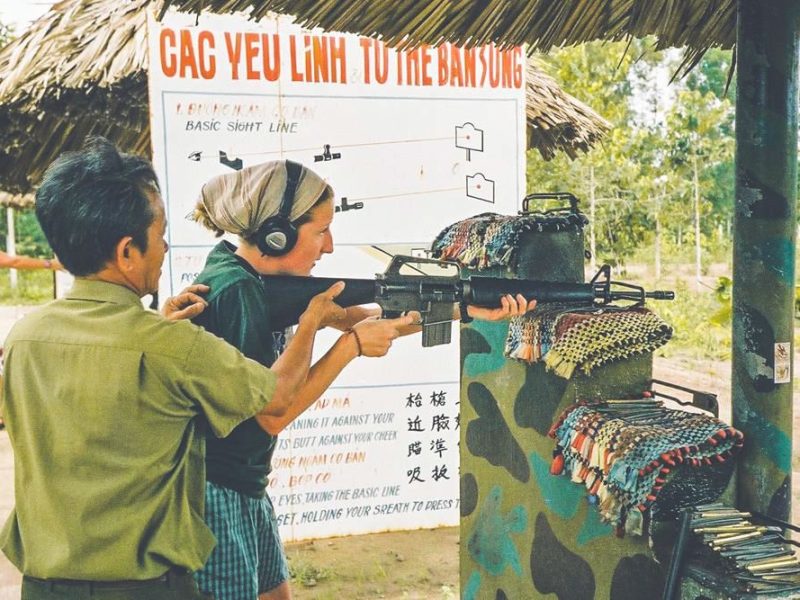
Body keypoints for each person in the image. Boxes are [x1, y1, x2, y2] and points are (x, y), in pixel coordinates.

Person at [0, 137, 349, 600]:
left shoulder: (24, 338)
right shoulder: (172, 345)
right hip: (145, 587)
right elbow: (277, 398)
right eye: (160, 234)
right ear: (127, 252)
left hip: (45, 586)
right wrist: (316, 324)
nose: (165, 247)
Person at [190, 159, 535, 600]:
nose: (329, 246)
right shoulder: (237, 290)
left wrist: (464, 308)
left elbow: (362, 317)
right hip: (217, 489)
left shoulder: (249, 280)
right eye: (321, 231)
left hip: (244, 482)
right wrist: (348, 347)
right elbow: (272, 414)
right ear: (277, 235)